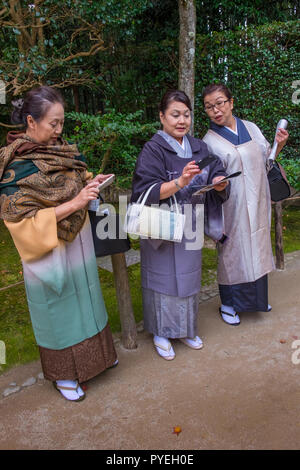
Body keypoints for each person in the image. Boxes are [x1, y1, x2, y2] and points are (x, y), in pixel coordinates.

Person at [0, 86, 118, 401]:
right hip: (45, 249)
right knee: (59, 310)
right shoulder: (15, 165)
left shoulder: (62, 149)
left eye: (61, 123)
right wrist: (75, 203)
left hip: (76, 242)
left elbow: (77, 178)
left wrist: (90, 183)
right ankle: (64, 375)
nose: (59, 131)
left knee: (86, 298)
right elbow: (18, 222)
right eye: (53, 124)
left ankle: (99, 359)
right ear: (31, 121)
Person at [131, 89, 230, 360]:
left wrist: (220, 180)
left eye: (186, 115)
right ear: (162, 116)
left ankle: (186, 328)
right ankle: (161, 332)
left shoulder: (199, 146)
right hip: (161, 224)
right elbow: (143, 191)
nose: (181, 120)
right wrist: (180, 182)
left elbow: (215, 167)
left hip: (192, 221)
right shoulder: (153, 149)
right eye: (175, 115)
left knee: (188, 276)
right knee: (162, 278)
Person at [202, 83, 289, 325]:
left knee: (258, 248)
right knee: (233, 252)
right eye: (209, 107)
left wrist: (279, 145)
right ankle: (229, 304)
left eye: (220, 103)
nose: (216, 110)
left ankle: (256, 301)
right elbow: (207, 179)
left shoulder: (251, 128)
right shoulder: (208, 141)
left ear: (231, 102)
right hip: (231, 206)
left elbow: (267, 159)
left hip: (258, 199)